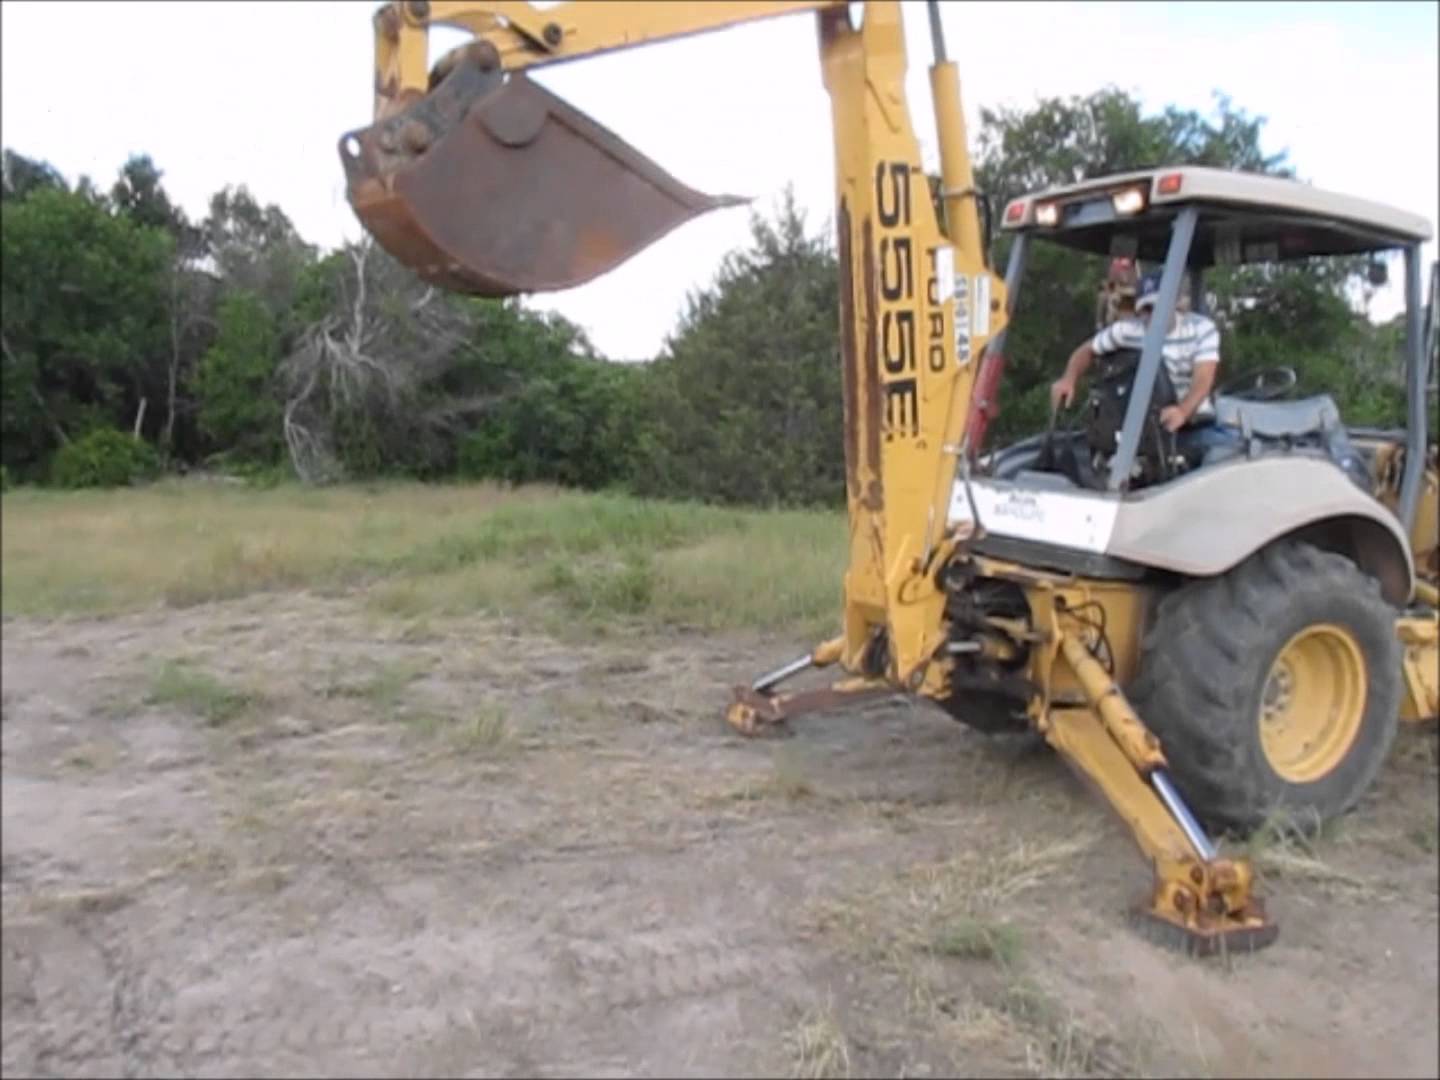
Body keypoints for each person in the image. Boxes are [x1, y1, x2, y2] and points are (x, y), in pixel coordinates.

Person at [1051, 271, 1220, 434]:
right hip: (1146, 424)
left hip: (1193, 419)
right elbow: (1087, 350)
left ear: (1172, 303)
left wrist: (1182, 412)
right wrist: (1069, 379)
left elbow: (1203, 379)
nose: (1153, 314)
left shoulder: (1201, 329)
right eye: (1146, 309)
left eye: (1158, 306)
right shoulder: (1126, 330)